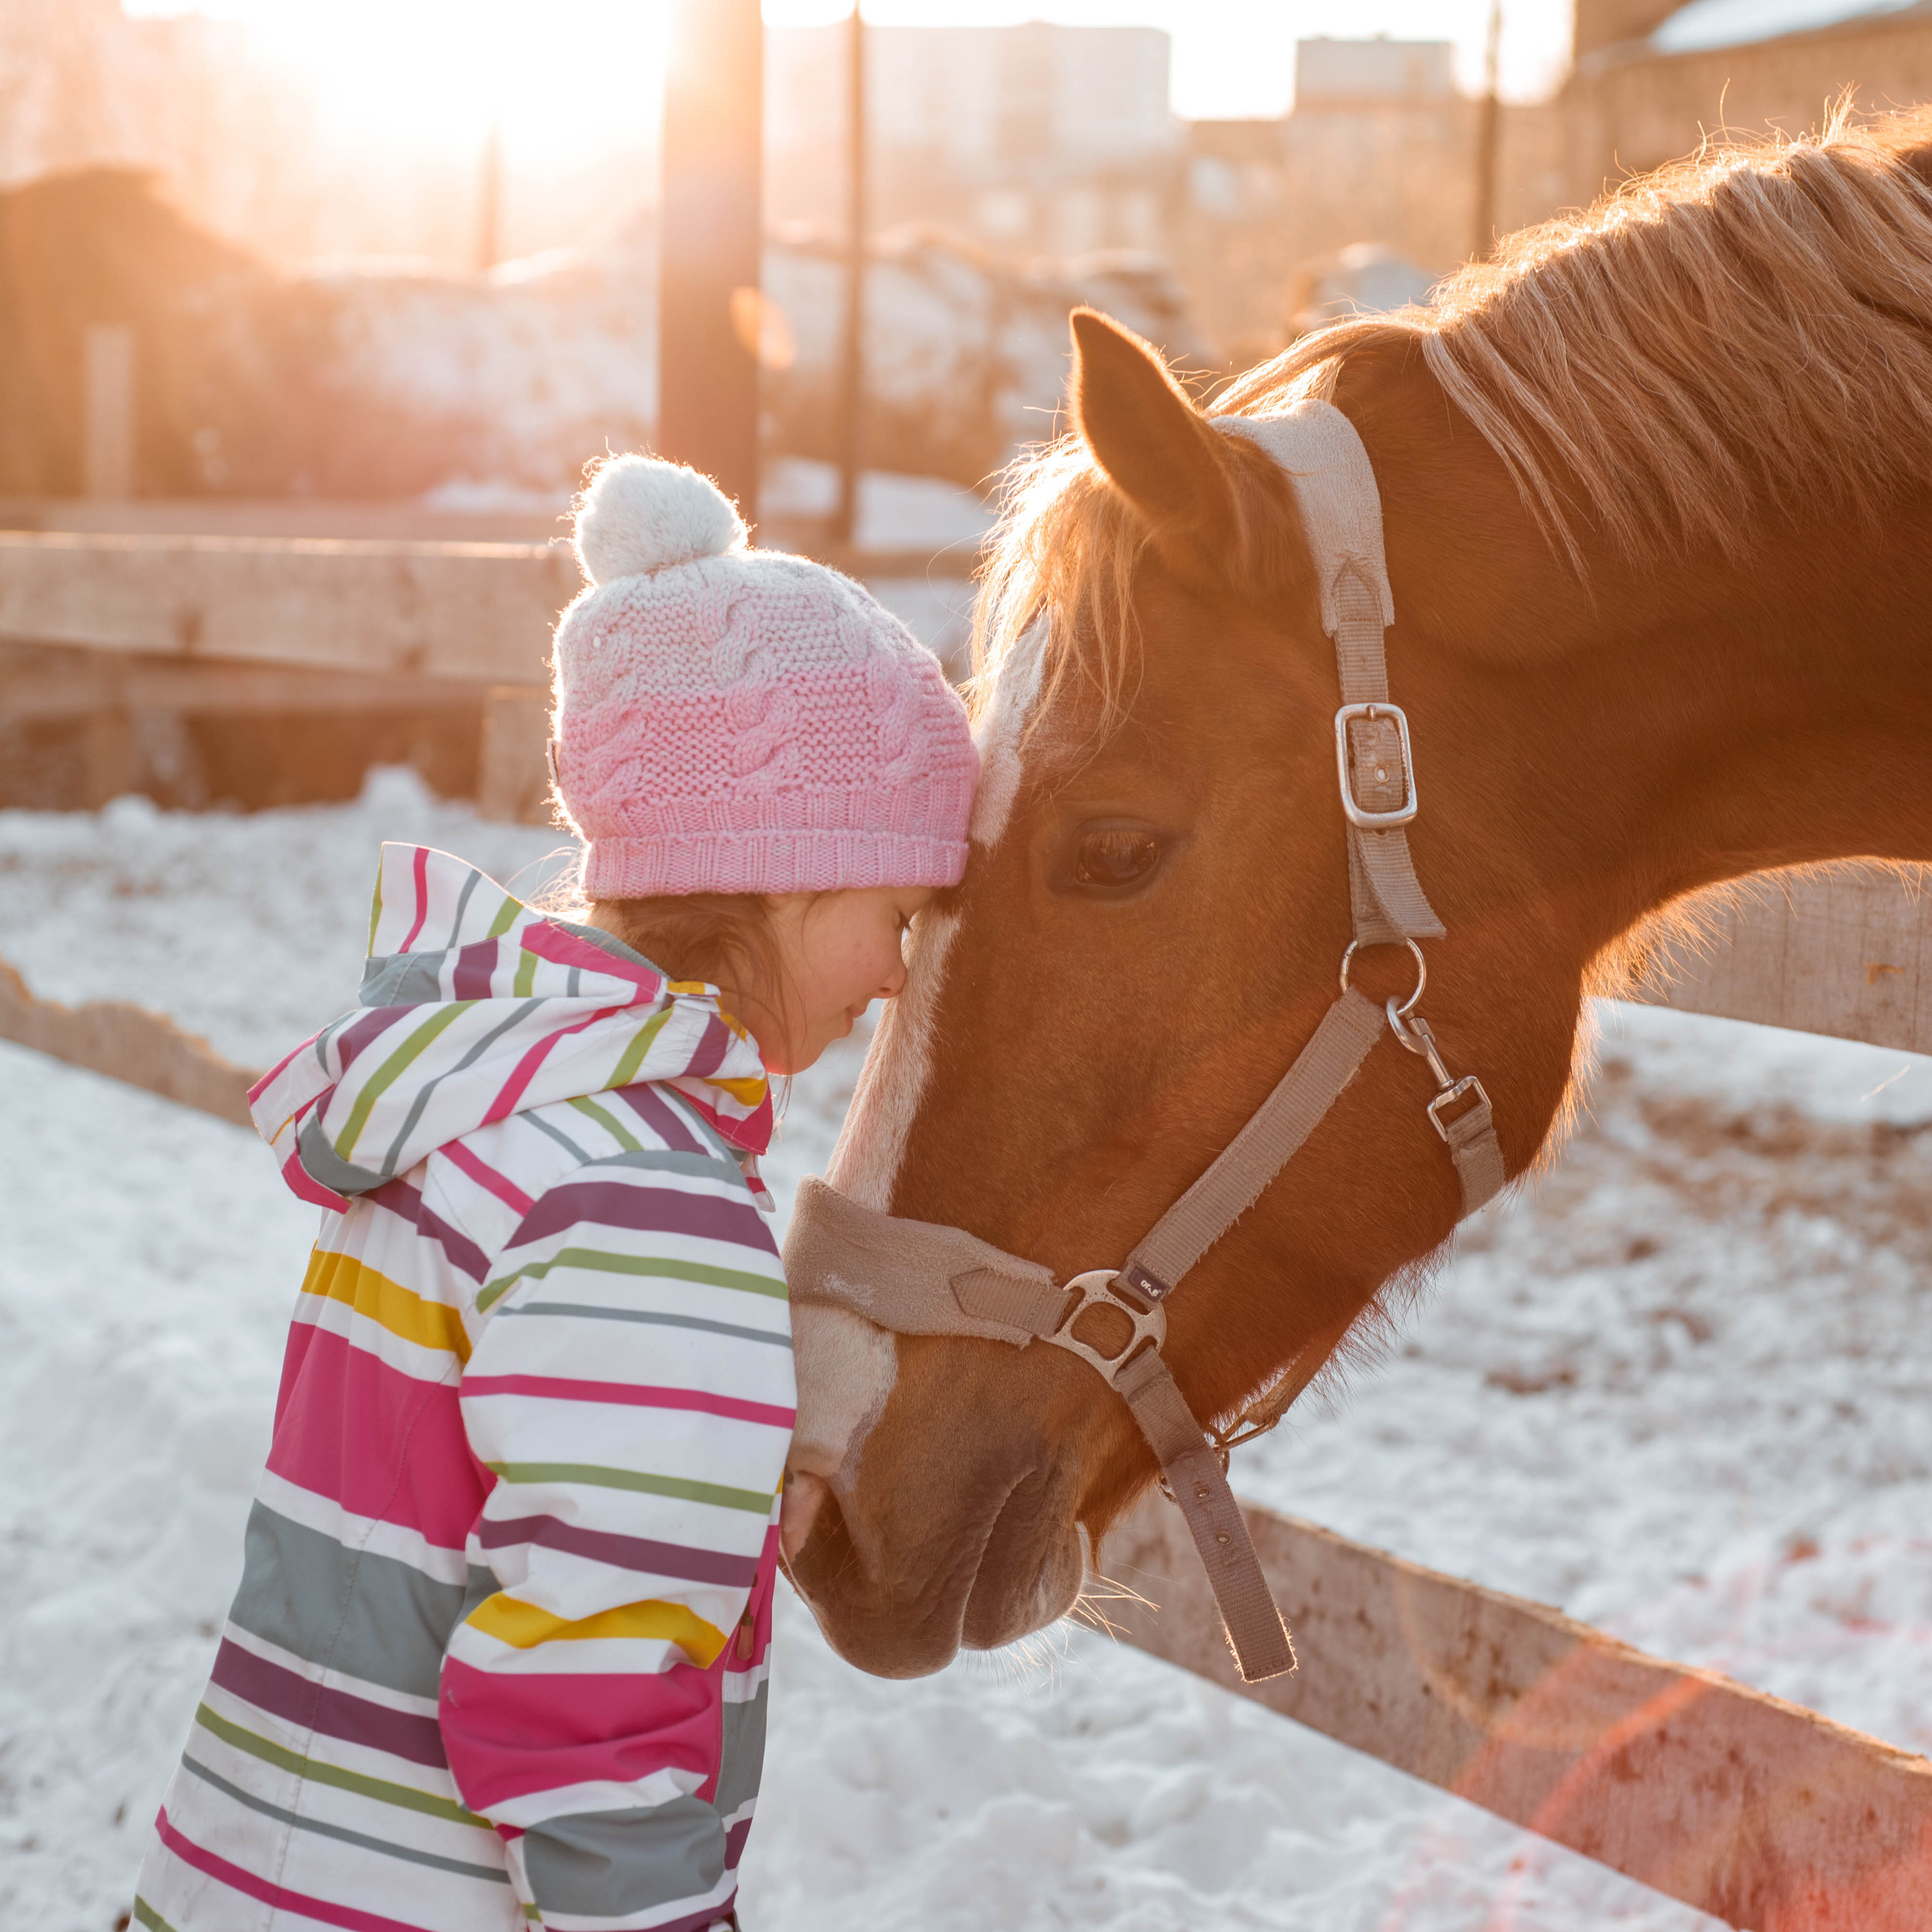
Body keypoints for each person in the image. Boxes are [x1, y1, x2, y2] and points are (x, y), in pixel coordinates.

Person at [132, 456, 979, 1932]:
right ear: (784, 876)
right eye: (893, 911)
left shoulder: (479, 1112)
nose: (897, 970)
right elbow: (585, 1724)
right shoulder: (648, 1202)